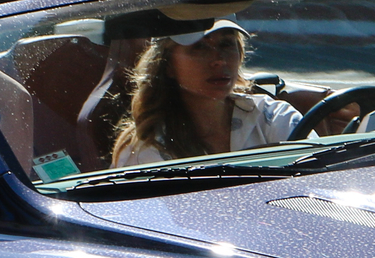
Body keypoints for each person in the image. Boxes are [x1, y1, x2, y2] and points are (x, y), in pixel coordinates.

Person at [111, 22, 305, 166]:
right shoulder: (146, 148)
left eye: (226, 44)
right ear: (168, 65)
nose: (219, 60)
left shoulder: (272, 117)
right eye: (199, 47)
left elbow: (318, 172)